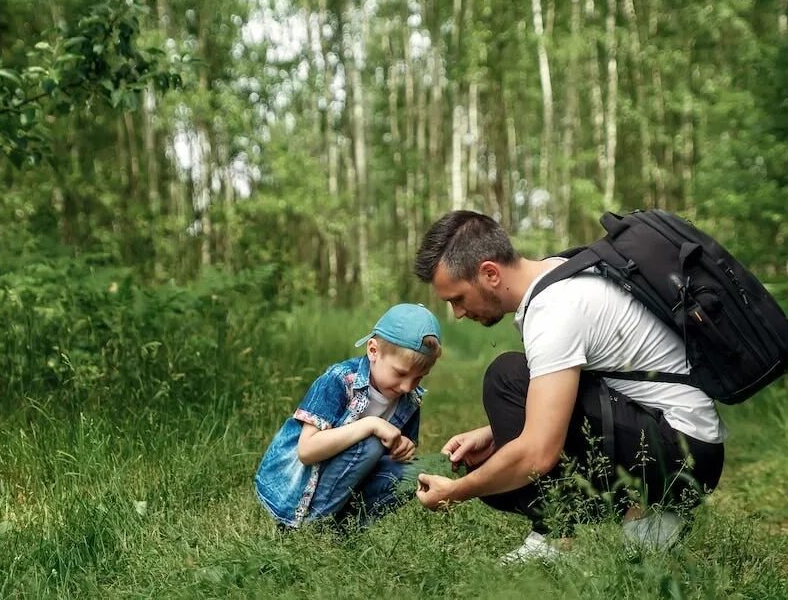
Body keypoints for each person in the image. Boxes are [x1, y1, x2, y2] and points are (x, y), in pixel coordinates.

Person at [411, 210, 726, 562]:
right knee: (497, 448)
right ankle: (647, 518)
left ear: (489, 273)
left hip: (682, 454)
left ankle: (558, 538)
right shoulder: (563, 271)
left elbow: (537, 454)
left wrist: (455, 492)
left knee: (507, 376)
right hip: (687, 445)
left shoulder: (554, 309)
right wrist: (492, 433)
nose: (457, 313)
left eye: (457, 298)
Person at [254, 303, 442, 529]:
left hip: (349, 480)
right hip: (302, 489)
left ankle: (345, 527)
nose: (407, 386)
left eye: (419, 378)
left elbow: (401, 450)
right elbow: (306, 451)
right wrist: (371, 424)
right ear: (373, 350)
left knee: (416, 472)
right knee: (370, 442)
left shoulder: (409, 398)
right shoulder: (339, 380)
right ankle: (312, 527)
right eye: (400, 373)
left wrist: (404, 447)